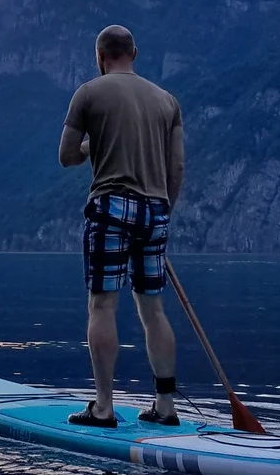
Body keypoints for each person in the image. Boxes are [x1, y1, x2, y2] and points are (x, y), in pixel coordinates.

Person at [58, 24, 186, 428]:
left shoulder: (88, 94)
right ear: (135, 52)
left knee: (103, 304)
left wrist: (92, 144)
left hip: (111, 205)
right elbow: (177, 166)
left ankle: (103, 407)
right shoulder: (167, 101)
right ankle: (164, 407)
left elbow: (66, 156)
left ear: (100, 57)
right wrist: (163, 214)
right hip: (156, 209)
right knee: (153, 310)